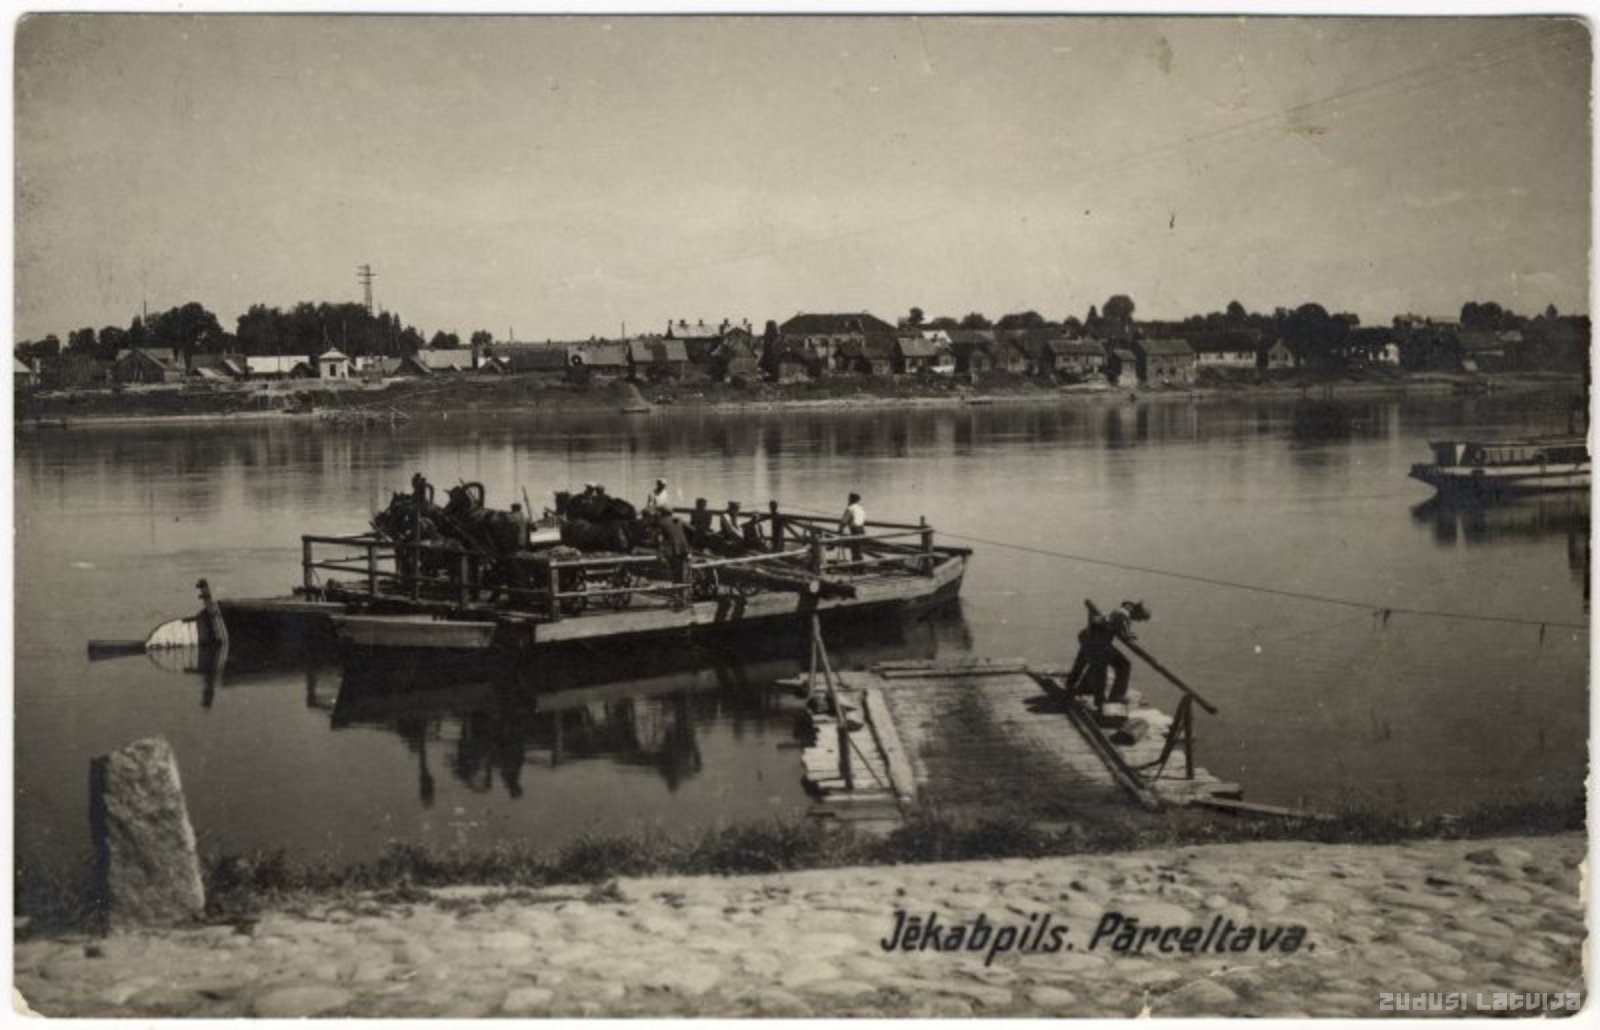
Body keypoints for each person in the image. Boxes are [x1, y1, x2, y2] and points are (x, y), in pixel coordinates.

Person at [1065, 600, 1151, 724]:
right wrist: (1130, 636)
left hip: (1091, 638)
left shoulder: (1122, 611)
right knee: (1121, 665)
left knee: (1088, 662)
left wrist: (1127, 633)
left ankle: (1072, 685)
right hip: (1097, 643)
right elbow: (1125, 634)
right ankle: (1111, 698)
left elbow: (1119, 627)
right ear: (1137, 612)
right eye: (1140, 618)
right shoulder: (1123, 615)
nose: (1139, 621)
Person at [657, 508, 690, 609]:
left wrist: (660, 552)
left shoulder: (661, 522)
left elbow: (660, 539)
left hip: (673, 551)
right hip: (683, 549)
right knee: (682, 575)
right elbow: (690, 530)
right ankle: (682, 600)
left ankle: (678, 600)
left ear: (661, 513)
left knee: (675, 576)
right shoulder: (679, 520)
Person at [838, 492, 867, 563]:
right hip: (862, 530)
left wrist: (840, 530)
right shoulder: (861, 508)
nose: (848, 500)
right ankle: (860, 566)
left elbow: (844, 521)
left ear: (851, 500)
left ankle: (856, 566)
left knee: (855, 550)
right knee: (859, 550)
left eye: (849, 499)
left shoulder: (850, 508)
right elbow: (863, 519)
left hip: (855, 530)